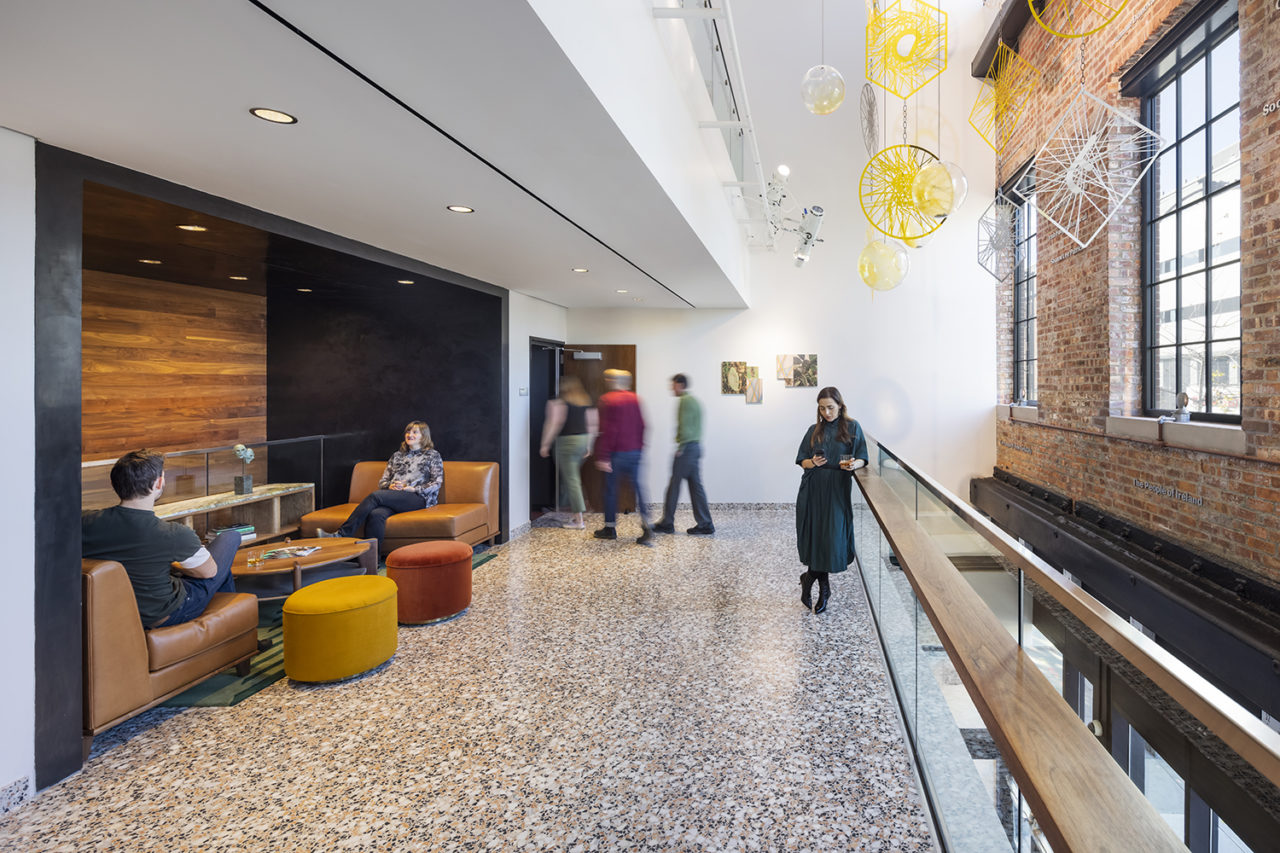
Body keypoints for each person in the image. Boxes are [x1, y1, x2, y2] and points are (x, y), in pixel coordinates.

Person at [82, 449, 241, 628]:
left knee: (215, 567)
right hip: (163, 613)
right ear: (159, 483)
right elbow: (209, 573)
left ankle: (236, 630)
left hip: (115, 609)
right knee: (231, 537)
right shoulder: (174, 533)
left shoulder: (84, 522)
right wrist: (176, 565)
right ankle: (239, 632)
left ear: (113, 484)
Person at [320, 420, 443, 557]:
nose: (410, 434)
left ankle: (342, 534)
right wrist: (389, 486)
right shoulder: (397, 456)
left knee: (375, 496)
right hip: (394, 496)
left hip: (418, 498)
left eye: (415, 432)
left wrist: (413, 489)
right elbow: (383, 481)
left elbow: (436, 482)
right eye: (408, 431)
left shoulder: (432, 455)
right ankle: (372, 559)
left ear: (423, 436)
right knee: (376, 514)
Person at [795, 386, 867, 614]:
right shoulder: (814, 430)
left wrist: (857, 464)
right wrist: (811, 463)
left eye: (830, 408)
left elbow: (863, 457)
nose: (826, 413)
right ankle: (824, 588)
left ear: (840, 406)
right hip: (814, 488)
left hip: (837, 489)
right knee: (818, 538)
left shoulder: (853, 427)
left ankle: (809, 579)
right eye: (822, 408)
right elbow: (801, 460)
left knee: (832, 538)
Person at [593, 368, 651, 545]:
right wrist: (640, 448)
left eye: (607, 379)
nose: (606, 381)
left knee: (610, 491)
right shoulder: (636, 399)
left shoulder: (607, 400)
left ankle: (610, 528)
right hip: (635, 452)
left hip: (616, 453)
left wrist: (603, 456)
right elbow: (643, 425)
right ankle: (647, 525)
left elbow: (608, 431)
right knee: (639, 489)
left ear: (612, 380)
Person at [653, 373, 714, 535]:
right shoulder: (694, 401)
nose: (671, 388)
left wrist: (681, 446)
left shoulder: (684, 402)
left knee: (674, 486)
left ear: (680, 384)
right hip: (695, 447)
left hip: (687, 449)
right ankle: (705, 523)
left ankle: (667, 522)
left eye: (672, 385)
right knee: (696, 487)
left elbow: (685, 426)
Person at [539, 376, 598, 529]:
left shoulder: (557, 403)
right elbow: (592, 424)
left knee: (571, 480)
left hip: (566, 443)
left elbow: (553, 424)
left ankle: (579, 520)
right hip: (582, 440)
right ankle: (578, 511)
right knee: (571, 478)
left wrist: (545, 444)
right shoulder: (585, 402)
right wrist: (589, 445)